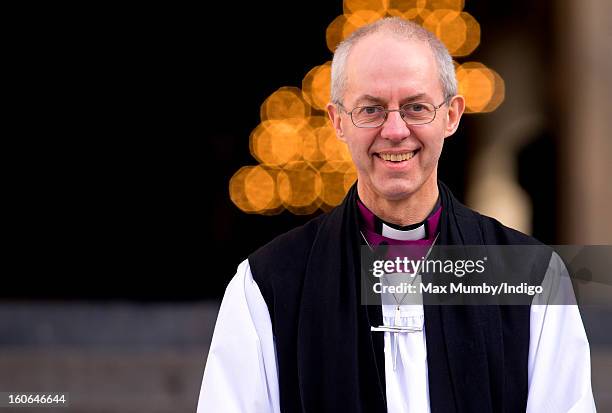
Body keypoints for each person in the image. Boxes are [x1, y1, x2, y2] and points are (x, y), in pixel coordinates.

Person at [197, 17, 595, 413]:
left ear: (452, 115)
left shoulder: (530, 275)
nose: (394, 130)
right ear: (337, 121)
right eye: (370, 109)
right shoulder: (266, 285)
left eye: (416, 107)